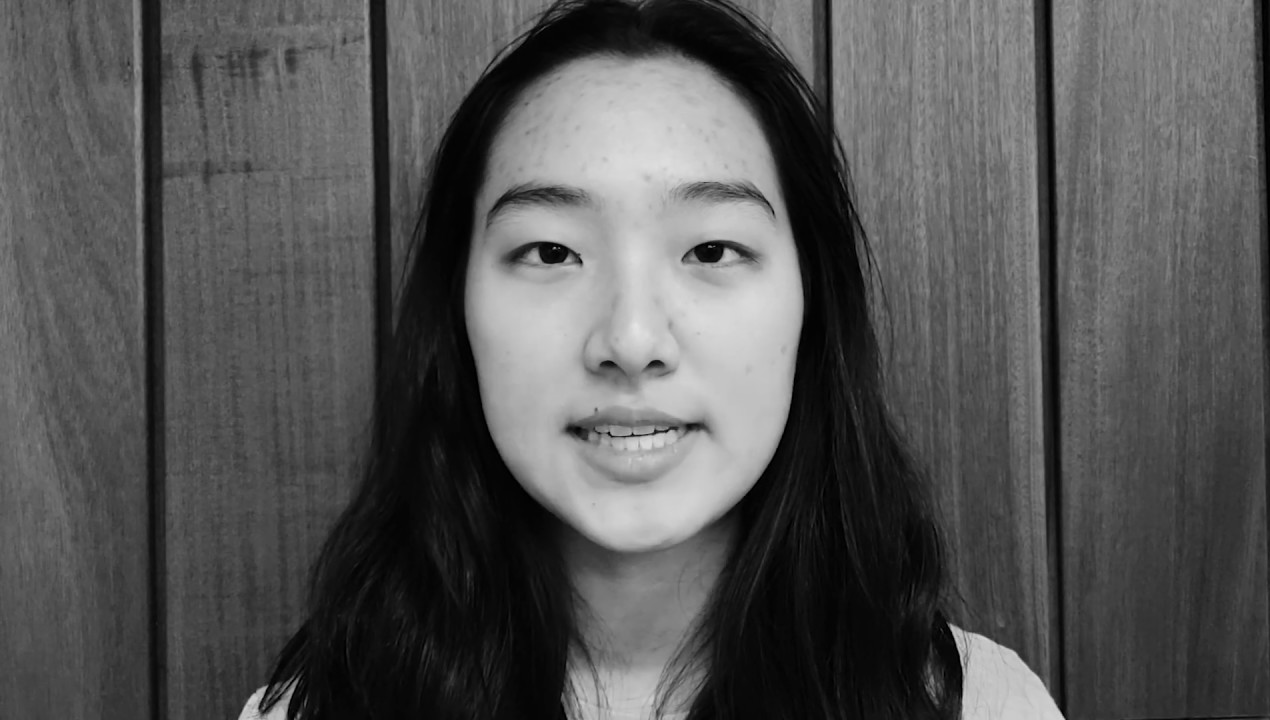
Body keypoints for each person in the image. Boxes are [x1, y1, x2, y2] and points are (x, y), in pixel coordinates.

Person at [237, 0, 1063, 717]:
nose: (631, 341)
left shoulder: (975, 706)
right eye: (553, 252)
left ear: (812, 305)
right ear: (458, 311)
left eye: (710, 250)